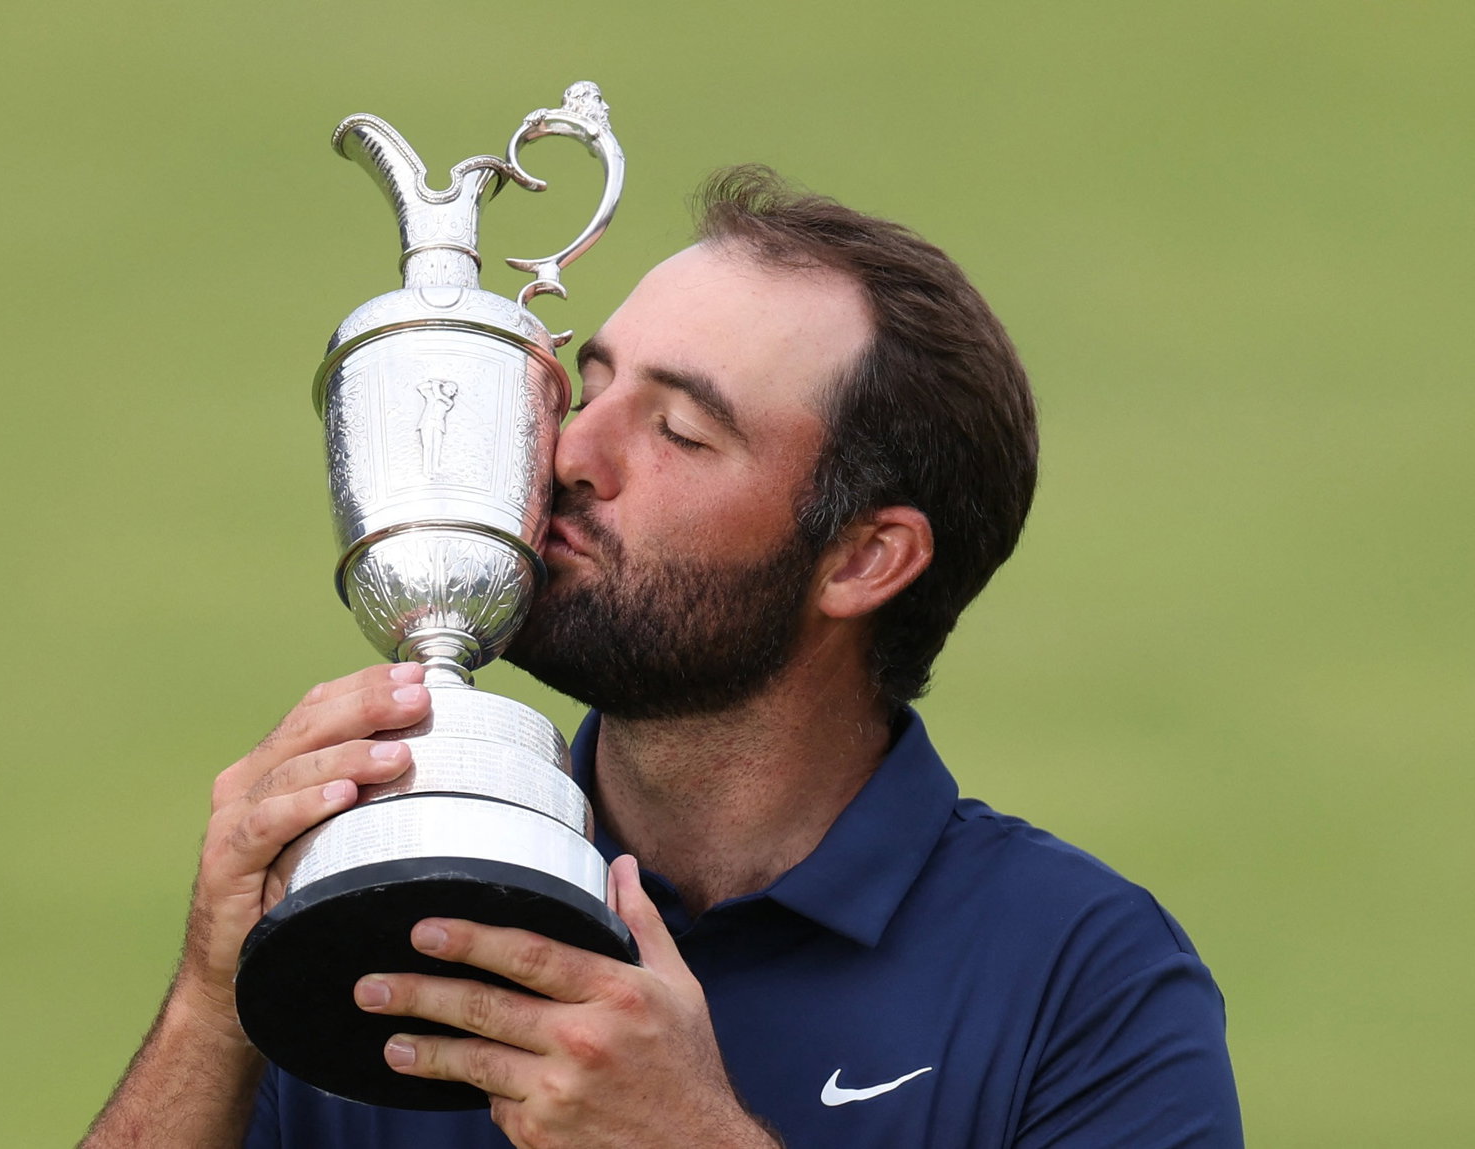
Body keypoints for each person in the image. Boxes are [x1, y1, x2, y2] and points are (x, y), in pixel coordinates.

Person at [83, 166, 1242, 1148]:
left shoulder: (1082, 981)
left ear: (861, 561)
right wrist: (209, 1006)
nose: (573, 453)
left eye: (680, 430)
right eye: (590, 386)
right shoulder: (389, 888)